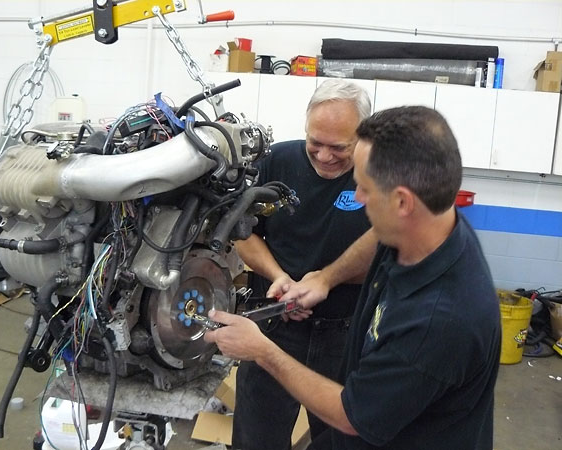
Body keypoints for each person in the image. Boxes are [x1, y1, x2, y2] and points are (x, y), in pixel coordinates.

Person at [205, 106, 501, 450]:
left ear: (402, 202)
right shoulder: (432, 225)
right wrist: (326, 278)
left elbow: (351, 415)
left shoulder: (439, 323)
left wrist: (262, 351)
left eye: (363, 188)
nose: (357, 198)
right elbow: (376, 235)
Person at [231, 79, 377, 450]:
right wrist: (280, 278)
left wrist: (326, 280)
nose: (325, 156)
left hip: (345, 334)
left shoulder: (380, 175)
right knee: (256, 438)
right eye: (316, 143)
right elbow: (243, 233)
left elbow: (390, 252)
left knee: (343, 439)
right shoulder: (276, 162)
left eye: (339, 147)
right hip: (274, 324)